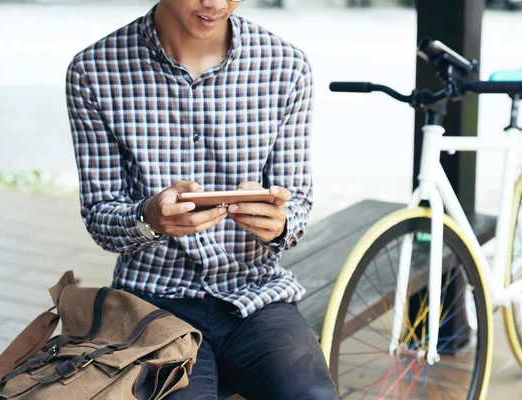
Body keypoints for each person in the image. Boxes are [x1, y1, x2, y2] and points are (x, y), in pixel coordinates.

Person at [65, 0, 338, 399]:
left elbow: (295, 205)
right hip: (153, 300)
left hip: (256, 293)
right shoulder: (94, 70)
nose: (215, 3)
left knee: (312, 394)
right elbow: (100, 215)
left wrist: (280, 224)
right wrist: (148, 219)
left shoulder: (286, 65)